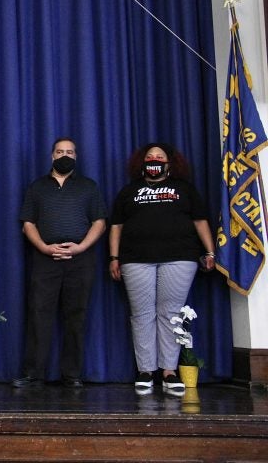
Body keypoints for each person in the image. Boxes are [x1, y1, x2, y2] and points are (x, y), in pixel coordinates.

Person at [108, 143, 215, 394]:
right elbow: (116, 226)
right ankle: (145, 371)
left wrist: (209, 251)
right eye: (149, 157)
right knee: (142, 313)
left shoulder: (185, 189)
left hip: (180, 257)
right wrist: (114, 257)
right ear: (140, 162)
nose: (154, 160)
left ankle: (169, 371)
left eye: (159, 157)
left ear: (170, 163)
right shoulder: (129, 192)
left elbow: (200, 221)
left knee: (171, 313)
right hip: (135, 259)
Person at [13, 137, 107, 388]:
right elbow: (28, 223)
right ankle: (33, 373)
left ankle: (72, 374)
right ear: (52, 156)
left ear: (76, 156)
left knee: (76, 317)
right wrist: (44, 247)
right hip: (45, 259)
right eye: (60, 151)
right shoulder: (37, 187)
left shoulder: (89, 187)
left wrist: (81, 247)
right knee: (38, 315)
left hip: (81, 259)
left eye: (70, 152)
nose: (65, 155)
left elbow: (99, 222)